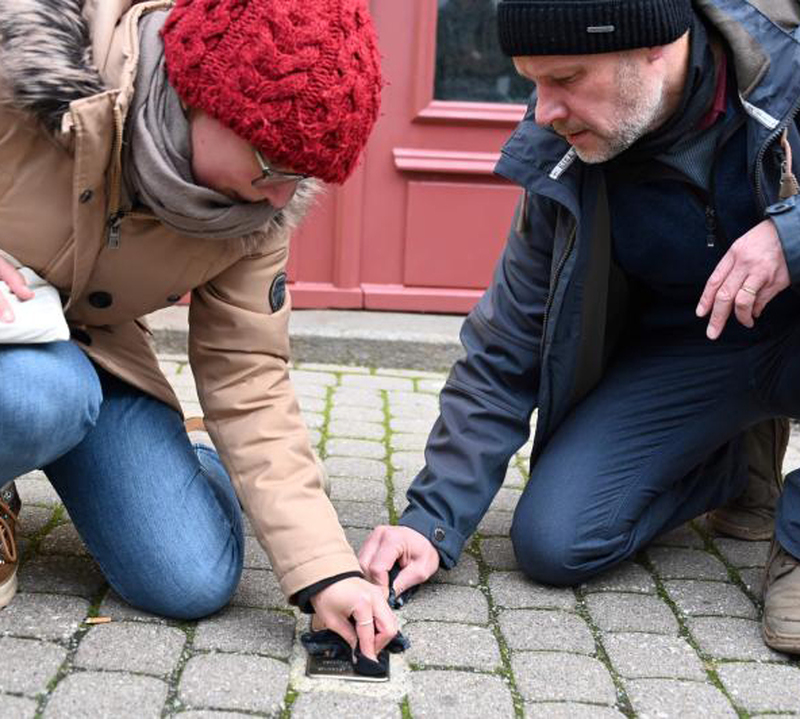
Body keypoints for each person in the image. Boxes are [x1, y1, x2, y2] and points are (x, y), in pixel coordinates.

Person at [360, 0, 800, 653]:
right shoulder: (564, 150)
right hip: (697, 350)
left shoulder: (784, 75)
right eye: (532, 82)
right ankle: (730, 464)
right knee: (553, 539)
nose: (543, 111)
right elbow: (509, 339)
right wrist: (432, 521)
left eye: (565, 79)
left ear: (659, 47)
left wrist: (789, 238)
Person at [0, 0, 397, 659]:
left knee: (188, 576)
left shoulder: (258, 213)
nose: (280, 196)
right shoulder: (26, 59)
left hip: (96, 353)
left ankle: (192, 457)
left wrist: (328, 571)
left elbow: (250, 374)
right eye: (272, 164)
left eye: (302, 176)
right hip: (38, 374)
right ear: (201, 96)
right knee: (43, 393)